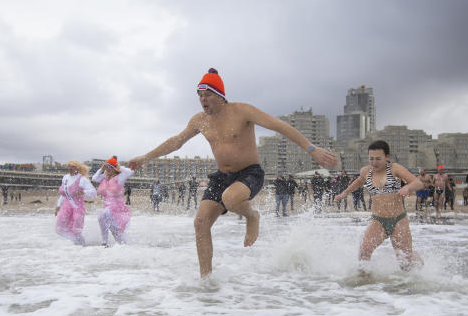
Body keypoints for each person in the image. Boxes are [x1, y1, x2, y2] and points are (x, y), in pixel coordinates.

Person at [128, 69, 339, 277]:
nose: (203, 100)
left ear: (220, 96)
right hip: (222, 175)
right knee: (200, 223)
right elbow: (176, 142)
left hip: (249, 173)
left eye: (208, 95)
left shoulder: (242, 111)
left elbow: (280, 126)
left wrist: (312, 149)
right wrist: (145, 157)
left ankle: (252, 216)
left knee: (230, 199)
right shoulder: (199, 120)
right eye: (200, 95)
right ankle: (206, 280)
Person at [333, 141, 422, 269]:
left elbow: (418, 183)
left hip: (398, 220)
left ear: (387, 157)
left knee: (405, 263)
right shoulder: (366, 171)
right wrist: (344, 193)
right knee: (364, 251)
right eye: (371, 158)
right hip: (378, 221)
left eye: (378, 159)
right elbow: (359, 181)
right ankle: (366, 283)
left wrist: (407, 188)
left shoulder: (395, 168)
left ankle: (415, 259)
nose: (374, 162)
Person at [92, 157, 134, 245]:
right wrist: (101, 169)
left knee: (101, 217)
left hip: (117, 206)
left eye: (109, 167)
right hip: (107, 206)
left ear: (114, 168)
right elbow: (94, 178)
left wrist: (117, 165)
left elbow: (130, 171)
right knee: (111, 227)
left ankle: (105, 242)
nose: (107, 169)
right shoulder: (104, 177)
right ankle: (119, 244)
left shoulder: (119, 177)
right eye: (106, 167)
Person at [54, 160, 96, 244]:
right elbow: (63, 194)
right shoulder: (65, 178)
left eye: (72, 166)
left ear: (77, 168)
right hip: (66, 207)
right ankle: (75, 242)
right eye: (69, 166)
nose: (70, 168)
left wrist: (84, 192)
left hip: (77, 208)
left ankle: (81, 245)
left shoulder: (82, 179)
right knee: (59, 229)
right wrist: (58, 205)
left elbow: (93, 192)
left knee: (76, 230)